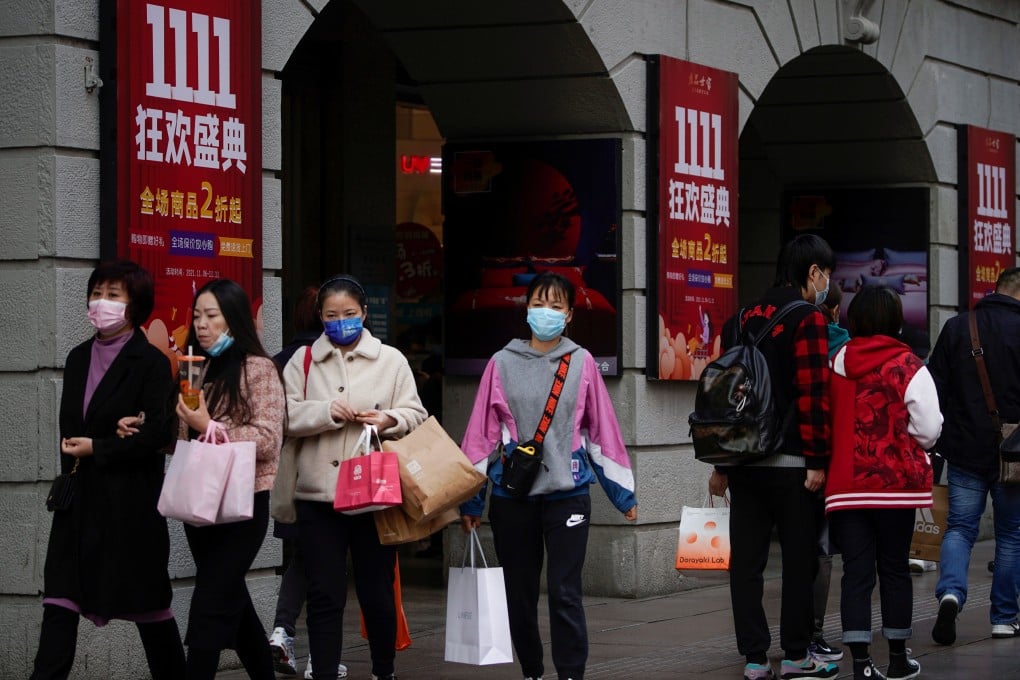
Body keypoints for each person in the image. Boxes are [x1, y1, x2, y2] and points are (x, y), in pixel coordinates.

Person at [459, 271, 638, 680]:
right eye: (539, 303)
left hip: (568, 494)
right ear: (526, 309)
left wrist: (623, 495)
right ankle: (533, 671)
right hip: (512, 498)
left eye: (556, 305)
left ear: (570, 314)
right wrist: (471, 501)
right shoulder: (500, 363)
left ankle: (571, 674)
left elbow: (602, 433)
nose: (547, 312)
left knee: (564, 592)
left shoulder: (582, 362)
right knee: (519, 596)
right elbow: (481, 437)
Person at [30, 260, 186, 679]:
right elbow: (73, 426)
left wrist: (99, 447)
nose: (101, 302)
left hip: (129, 511)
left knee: (151, 611)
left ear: (135, 304)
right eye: (96, 293)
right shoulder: (78, 357)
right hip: (78, 507)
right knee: (59, 603)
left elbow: (156, 434)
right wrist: (89, 445)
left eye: (113, 295)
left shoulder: (151, 362)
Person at [277, 274, 427, 680]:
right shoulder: (304, 360)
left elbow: (416, 414)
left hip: (374, 495)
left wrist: (388, 418)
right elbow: (283, 415)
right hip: (317, 495)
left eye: (348, 313)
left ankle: (383, 670)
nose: (340, 321)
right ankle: (325, 671)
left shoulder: (391, 360)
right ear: (320, 316)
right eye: (331, 315)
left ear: (363, 313)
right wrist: (325, 411)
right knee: (323, 593)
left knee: (377, 591)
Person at [707, 234, 839, 680]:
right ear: (813, 272)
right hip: (793, 464)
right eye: (826, 274)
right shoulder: (808, 318)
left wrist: (722, 464)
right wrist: (817, 460)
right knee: (800, 561)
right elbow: (813, 394)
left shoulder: (740, 318)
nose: (827, 283)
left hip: (744, 463)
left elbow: (725, 397)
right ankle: (798, 655)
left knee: (747, 564)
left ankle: (755, 659)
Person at [825, 285, 942, 680]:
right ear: (895, 320)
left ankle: (860, 664)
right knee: (894, 569)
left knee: (856, 573)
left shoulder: (837, 361)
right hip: (895, 485)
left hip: (845, 484)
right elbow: (929, 428)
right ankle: (896, 658)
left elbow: (825, 416)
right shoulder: (909, 364)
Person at [176, 278, 285, 679]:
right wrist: (146, 425)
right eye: (197, 316)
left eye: (212, 316)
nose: (201, 324)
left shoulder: (259, 368)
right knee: (230, 597)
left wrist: (210, 426)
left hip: (243, 500)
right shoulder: (195, 366)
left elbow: (268, 439)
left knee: (211, 600)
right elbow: (183, 438)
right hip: (200, 499)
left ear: (234, 319)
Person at [927, 266, 1020, 644]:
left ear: (996, 289)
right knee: (1010, 534)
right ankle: (1003, 618)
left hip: (963, 450)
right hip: (1014, 455)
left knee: (960, 528)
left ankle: (950, 593)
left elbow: (934, 389)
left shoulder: (957, 327)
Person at [266, 286, 349, 679]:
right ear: (321, 315)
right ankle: (319, 656)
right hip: (322, 482)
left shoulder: (279, 359)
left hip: (289, 477)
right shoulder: (316, 360)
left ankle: (284, 632)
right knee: (324, 569)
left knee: (303, 559)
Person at [809, 282, 848, 664]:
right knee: (821, 549)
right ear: (835, 310)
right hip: (828, 460)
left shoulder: (791, 337)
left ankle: (787, 636)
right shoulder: (843, 349)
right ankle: (814, 633)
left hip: (787, 455)